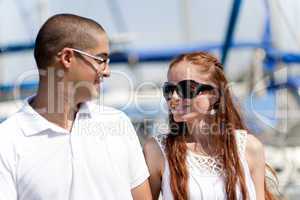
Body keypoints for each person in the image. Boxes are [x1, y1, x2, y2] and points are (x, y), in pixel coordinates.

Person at [0, 13, 152, 200]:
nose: (108, 71)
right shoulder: (6, 142)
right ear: (67, 57)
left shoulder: (119, 123)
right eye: (101, 60)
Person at [143, 52, 278, 200]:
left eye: (186, 88)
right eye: (169, 90)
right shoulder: (156, 151)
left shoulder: (251, 148)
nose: (174, 97)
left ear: (214, 95)